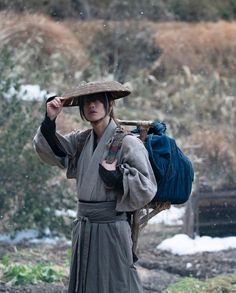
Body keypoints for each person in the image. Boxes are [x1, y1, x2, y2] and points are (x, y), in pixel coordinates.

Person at [33, 80, 157, 293]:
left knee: (116, 284)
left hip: (112, 228)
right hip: (84, 227)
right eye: (87, 101)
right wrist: (49, 120)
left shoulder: (128, 143)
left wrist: (117, 177)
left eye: (99, 100)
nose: (92, 105)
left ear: (109, 105)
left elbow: (146, 186)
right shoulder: (80, 141)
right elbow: (52, 151)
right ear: (81, 108)